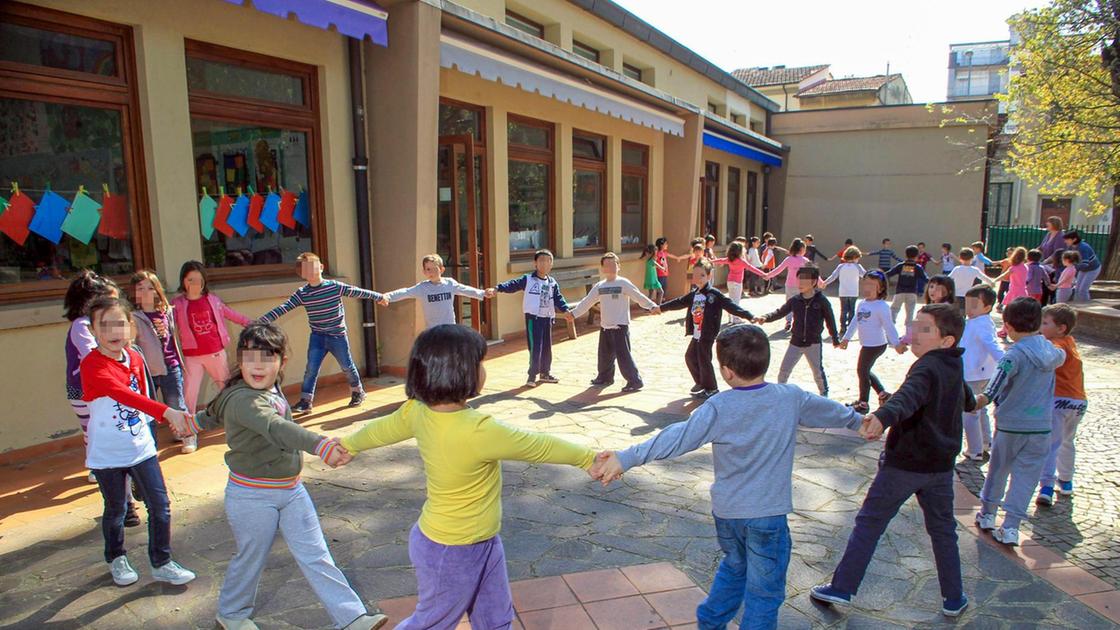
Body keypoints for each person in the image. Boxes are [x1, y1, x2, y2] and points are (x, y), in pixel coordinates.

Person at [591, 325, 863, 629]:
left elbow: (677, 437)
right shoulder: (790, 397)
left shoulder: (719, 406)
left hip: (729, 516)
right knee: (764, 594)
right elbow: (831, 412)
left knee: (735, 567)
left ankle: (710, 623)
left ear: (726, 371)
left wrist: (626, 457)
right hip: (767, 518)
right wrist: (860, 421)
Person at [338, 324, 599, 630]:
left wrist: (348, 445)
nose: (483, 369)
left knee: (495, 617)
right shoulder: (478, 429)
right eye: (480, 362)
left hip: (478, 542)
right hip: (451, 549)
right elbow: (539, 446)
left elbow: (380, 430)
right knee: (432, 622)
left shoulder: (417, 412)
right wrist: (589, 458)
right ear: (462, 372)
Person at [175, 323, 385, 630]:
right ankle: (231, 615)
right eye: (249, 357)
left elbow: (212, 414)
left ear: (281, 362)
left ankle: (351, 618)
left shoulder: (265, 389)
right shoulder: (244, 399)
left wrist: (192, 423)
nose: (257, 365)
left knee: (316, 555)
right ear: (240, 360)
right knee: (251, 558)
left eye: (267, 357)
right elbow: (277, 428)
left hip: (291, 490)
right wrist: (321, 444)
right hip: (251, 495)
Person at [811, 304, 975, 618]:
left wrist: (882, 416)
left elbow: (908, 396)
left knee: (869, 524)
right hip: (940, 468)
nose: (914, 333)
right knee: (943, 531)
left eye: (924, 329)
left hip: (905, 466)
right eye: (915, 325)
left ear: (946, 341)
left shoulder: (926, 367)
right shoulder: (954, 363)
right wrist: (983, 397)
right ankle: (954, 598)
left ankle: (842, 588)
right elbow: (966, 399)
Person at [81, 296, 196, 588]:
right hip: (108, 453)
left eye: (120, 323)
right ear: (93, 331)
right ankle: (116, 557)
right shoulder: (92, 365)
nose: (113, 331)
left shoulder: (135, 356)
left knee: (161, 506)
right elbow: (123, 394)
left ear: (131, 327)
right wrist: (167, 412)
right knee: (116, 509)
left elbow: (143, 394)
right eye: (104, 326)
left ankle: (162, 562)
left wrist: (155, 425)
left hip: (140, 447)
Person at [973, 297, 1065, 546]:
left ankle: (988, 514)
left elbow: (992, 389)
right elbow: (1060, 355)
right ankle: (1011, 527)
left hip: (1011, 425)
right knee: (1026, 478)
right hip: (1041, 427)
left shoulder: (1012, 356)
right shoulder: (1053, 353)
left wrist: (975, 402)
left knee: (999, 470)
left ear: (1009, 327)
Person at [259, 252, 382, 413]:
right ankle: (305, 401)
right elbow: (284, 307)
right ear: (301, 274)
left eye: (313, 267)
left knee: (347, 366)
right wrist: (262, 321)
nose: (310, 272)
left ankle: (358, 391)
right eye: (305, 270)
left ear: (321, 267)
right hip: (317, 337)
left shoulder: (334, 286)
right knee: (311, 369)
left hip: (337, 336)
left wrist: (379, 296)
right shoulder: (302, 293)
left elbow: (357, 291)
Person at [172, 261, 252, 428]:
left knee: (225, 387)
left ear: (204, 282)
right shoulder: (177, 304)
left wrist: (251, 323)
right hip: (192, 356)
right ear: (183, 281)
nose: (194, 284)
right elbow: (166, 322)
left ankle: (234, 420)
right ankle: (188, 430)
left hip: (215, 353)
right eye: (190, 280)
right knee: (189, 393)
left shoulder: (212, 300)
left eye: (198, 280)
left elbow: (232, 315)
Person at [659, 259, 753, 399]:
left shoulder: (714, 295)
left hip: (707, 334)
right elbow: (678, 302)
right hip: (697, 333)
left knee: (704, 360)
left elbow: (731, 306)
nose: (698, 278)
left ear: (709, 276)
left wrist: (749, 316)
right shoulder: (694, 294)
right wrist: (661, 308)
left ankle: (712, 388)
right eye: (695, 275)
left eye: (702, 275)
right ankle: (702, 383)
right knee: (690, 357)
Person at [64, 271, 125, 486]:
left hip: (98, 388)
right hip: (82, 390)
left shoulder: (94, 324)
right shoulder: (82, 326)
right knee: (92, 428)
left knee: (99, 425)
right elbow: (94, 354)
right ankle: (96, 466)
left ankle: (102, 463)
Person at [569, 252, 660, 392]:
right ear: (602, 268)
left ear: (619, 266)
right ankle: (605, 377)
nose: (610, 267)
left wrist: (652, 306)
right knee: (604, 355)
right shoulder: (600, 286)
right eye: (606, 264)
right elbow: (587, 301)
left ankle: (634, 381)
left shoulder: (623, 283)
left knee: (623, 356)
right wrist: (574, 314)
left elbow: (638, 296)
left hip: (620, 326)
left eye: (613, 264)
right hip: (605, 326)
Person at [487, 249, 574, 388]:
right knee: (535, 347)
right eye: (541, 261)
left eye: (547, 261)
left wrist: (566, 310)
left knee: (546, 347)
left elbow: (558, 298)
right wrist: (497, 289)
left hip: (547, 319)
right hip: (534, 319)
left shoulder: (552, 283)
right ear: (535, 263)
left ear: (551, 264)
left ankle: (545, 373)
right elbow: (512, 285)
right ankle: (532, 376)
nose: (544, 263)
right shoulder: (527, 279)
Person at [755, 266, 838, 397]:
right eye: (799, 280)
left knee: (817, 371)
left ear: (814, 282)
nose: (800, 284)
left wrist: (835, 338)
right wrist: (765, 318)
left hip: (813, 343)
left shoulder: (822, 301)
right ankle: (781, 395)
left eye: (805, 281)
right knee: (784, 371)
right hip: (796, 342)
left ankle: (824, 394)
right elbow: (780, 312)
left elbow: (830, 320)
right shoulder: (795, 300)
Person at [129, 271, 189, 453]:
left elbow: (174, 339)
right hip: (148, 372)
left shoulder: (167, 312)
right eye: (141, 288)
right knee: (148, 410)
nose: (146, 292)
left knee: (177, 403)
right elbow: (132, 345)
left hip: (171, 367)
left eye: (150, 287)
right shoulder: (133, 317)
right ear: (134, 293)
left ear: (157, 291)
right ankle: (150, 444)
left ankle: (187, 435)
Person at [1036, 304, 1086, 507]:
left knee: (1051, 443)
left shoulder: (1056, 345)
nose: (1041, 326)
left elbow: (1051, 359)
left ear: (1061, 328)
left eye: (1045, 323)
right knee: (1067, 442)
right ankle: (1066, 481)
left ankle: (1046, 486)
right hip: (1078, 401)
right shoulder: (1070, 342)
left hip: (1060, 400)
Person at [838, 270, 903, 413]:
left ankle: (863, 403)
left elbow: (889, 326)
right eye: (865, 284)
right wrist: (846, 338)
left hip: (876, 345)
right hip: (866, 344)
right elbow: (855, 320)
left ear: (880, 288)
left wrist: (896, 343)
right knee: (865, 370)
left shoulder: (881, 306)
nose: (867, 288)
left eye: (872, 285)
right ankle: (883, 394)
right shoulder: (862, 304)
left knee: (862, 371)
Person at [378, 254, 487, 328]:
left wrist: (483, 293)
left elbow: (466, 289)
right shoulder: (422, 288)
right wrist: (387, 296)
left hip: (450, 329)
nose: (431, 272)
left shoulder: (450, 284)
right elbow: (405, 292)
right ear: (424, 272)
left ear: (442, 270)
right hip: (432, 331)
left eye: (434, 268)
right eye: (428, 269)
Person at [959, 286, 1003, 461]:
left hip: (974, 374)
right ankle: (986, 442)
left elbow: (992, 345)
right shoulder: (982, 321)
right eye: (967, 304)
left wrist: (1007, 361)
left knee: (970, 411)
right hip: (981, 373)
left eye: (974, 305)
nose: (969, 309)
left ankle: (975, 449)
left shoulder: (980, 324)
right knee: (980, 409)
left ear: (987, 307)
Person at [712, 241, 766, 324]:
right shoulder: (741, 261)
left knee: (730, 300)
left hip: (730, 281)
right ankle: (736, 318)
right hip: (737, 283)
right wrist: (763, 274)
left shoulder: (730, 259)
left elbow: (720, 260)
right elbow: (752, 268)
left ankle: (731, 318)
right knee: (736, 301)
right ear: (740, 251)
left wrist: (711, 261)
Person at [762, 238, 809, 330]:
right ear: (802, 249)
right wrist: (821, 283)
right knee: (801, 304)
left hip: (790, 285)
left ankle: (788, 321)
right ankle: (798, 322)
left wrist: (768, 275)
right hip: (801, 286)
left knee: (789, 304)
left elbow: (778, 269)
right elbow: (814, 273)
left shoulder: (788, 259)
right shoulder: (805, 260)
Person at [821, 246, 866, 336]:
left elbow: (833, 276)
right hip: (853, 292)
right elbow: (865, 275)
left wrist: (825, 283)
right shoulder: (858, 267)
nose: (858, 260)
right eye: (858, 258)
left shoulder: (841, 266)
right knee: (852, 310)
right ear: (854, 257)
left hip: (843, 292)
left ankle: (842, 328)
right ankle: (850, 327)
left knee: (843, 310)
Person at [886, 245, 928, 329]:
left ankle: (889, 330)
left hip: (900, 291)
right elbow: (925, 279)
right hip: (912, 292)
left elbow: (888, 274)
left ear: (905, 255)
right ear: (917, 256)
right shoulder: (917, 267)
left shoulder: (900, 266)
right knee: (910, 313)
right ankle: (908, 334)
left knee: (894, 310)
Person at [992, 247, 1028, 337]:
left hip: (1013, 292)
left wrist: (993, 281)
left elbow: (1004, 275)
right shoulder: (1025, 267)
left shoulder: (1014, 267)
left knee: (1008, 313)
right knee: (1020, 313)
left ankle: (1004, 331)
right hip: (1023, 291)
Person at [1064, 230, 1101, 302]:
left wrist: (1073, 269)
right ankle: (1077, 305)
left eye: (1067, 240)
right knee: (1077, 289)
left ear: (1074, 239)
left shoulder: (1083, 248)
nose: (1065, 241)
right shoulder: (1071, 247)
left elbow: (1085, 264)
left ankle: (1086, 307)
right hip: (1083, 269)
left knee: (1083, 289)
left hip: (1092, 269)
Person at [1038, 216, 1066, 305]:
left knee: (1051, 285)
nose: (1047, 224)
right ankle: (1043, 305)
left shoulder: (1060, 236)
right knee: (1044, 285)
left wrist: (1046, 261)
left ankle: (1053, 304)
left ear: (1054, 224)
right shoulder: (1048, 234)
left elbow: (1057, 252)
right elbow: (1041, 247)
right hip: (1046, 265)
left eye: (1049, 222)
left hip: (1055, 266)